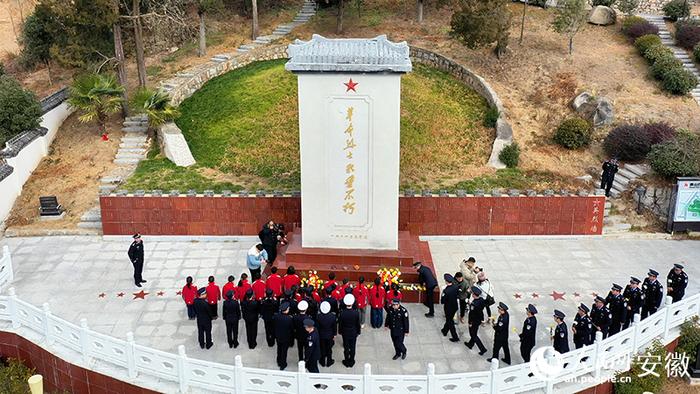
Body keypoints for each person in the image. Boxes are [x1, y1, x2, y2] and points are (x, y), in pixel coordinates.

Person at [339, 294, 361, 367]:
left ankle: (346, 361)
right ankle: (351, 361)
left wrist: (340, 331)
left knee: (346, 347)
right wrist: (358, 331)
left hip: (345, 332)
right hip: (353, 332)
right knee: (352, 347)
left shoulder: (342, 313)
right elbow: (358, 324)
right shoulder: (356, 313)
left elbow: (340, 324)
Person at [464, 286, 488, 355]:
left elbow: (472, 314)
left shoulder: (474, 304)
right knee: (474, 333)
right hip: (478, 320)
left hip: (474, 321)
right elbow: (480, 311)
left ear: (474, 295)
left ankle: (482, 349)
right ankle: (470, 344)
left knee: (473, 335)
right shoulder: (481, 300)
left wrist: (470, 322)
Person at [274, 302, 294, 370]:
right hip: (286, 337)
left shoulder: (276, 316)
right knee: (284, 351)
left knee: (279, 349)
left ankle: (279, 361)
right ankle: (283, 364)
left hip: (278, 336)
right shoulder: (289, 319)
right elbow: (291, 328)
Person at [441, 273, 460, 342]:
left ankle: (455, 337)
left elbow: (442, 301)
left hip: (448, 308)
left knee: (450, 321)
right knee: (449, 319)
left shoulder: (446, 291)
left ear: (446, 281)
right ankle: (444, 330)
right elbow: (457, 294)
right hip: (454, 306)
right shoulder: (455, 286)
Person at [317, 301, 337, 367]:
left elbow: (318, 327)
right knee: (329, 349)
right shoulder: (333, 316)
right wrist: (334, 334)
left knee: (322, 348)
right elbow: (334, 327)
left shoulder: (319, 316)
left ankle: (322, 361)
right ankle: (329, 361)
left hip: (321, 335)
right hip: (329, 335)